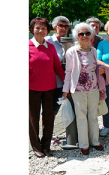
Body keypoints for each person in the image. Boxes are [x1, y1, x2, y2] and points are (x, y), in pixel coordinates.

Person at [62, 22, 105, 155]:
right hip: (78, 90)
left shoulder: (93, 50)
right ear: (77, 36)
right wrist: (65, 89)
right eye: (81, 34)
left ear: (91, 35)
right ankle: (84, 144)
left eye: (87, 33)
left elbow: (95, 67)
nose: (85, 36)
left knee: (93, 116)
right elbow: (68, 71)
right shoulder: (71, 52)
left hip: (93, 88)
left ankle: (95, 141)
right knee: (81, 117)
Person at [29, 17, 65, 158]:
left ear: (47, 31)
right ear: (32, 30)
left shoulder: (50, 47)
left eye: (43, 28)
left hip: (50, 88)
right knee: (33, 118)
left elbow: (57, 67)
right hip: (32, 89)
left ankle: (46, 146)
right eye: (37, 28)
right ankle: (36, 147)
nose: (40, 30)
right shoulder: (27, 46)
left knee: (49, 118)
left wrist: (67, 84)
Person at [45, 16, 70, 117]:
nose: (63, 28)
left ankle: (49, 131)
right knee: (47, 111)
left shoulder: (71, 42)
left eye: (66, 26)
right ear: (55, 27)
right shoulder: (47, 41)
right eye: (61, 26)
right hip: (49, 83)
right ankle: (44, 131)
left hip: (63, 83)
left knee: (55, 110)